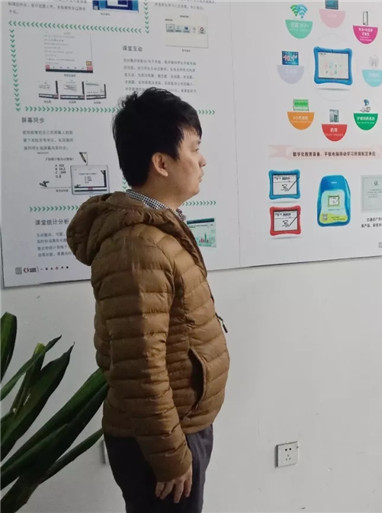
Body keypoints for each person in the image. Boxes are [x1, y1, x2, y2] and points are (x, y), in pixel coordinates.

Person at [67, 88, 230, 513]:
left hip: (178, 428)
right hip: (161, 440)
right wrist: (169, 455)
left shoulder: (158, 230)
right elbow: (139, 365)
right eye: (193, 148)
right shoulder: (137, 247)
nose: (202, 160)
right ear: (162, 162)